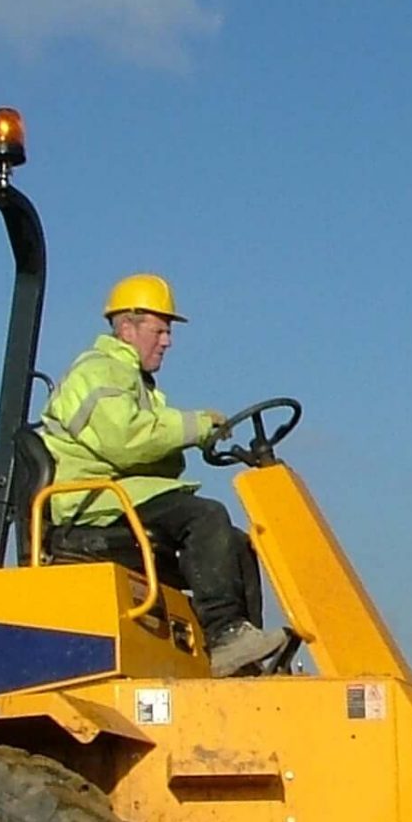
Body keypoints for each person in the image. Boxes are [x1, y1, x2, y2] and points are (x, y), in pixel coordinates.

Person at [40, 274, 290, 677]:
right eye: (160, 329)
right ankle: (224, 632)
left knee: (236, 544)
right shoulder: (98, 372)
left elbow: (143, 446)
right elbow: (124, 439)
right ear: (127, 327)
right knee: (205, 516)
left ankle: (243, 652)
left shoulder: (131, 379)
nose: (167, 340)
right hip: (90, 502)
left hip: (122, 493)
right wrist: (196, 426)